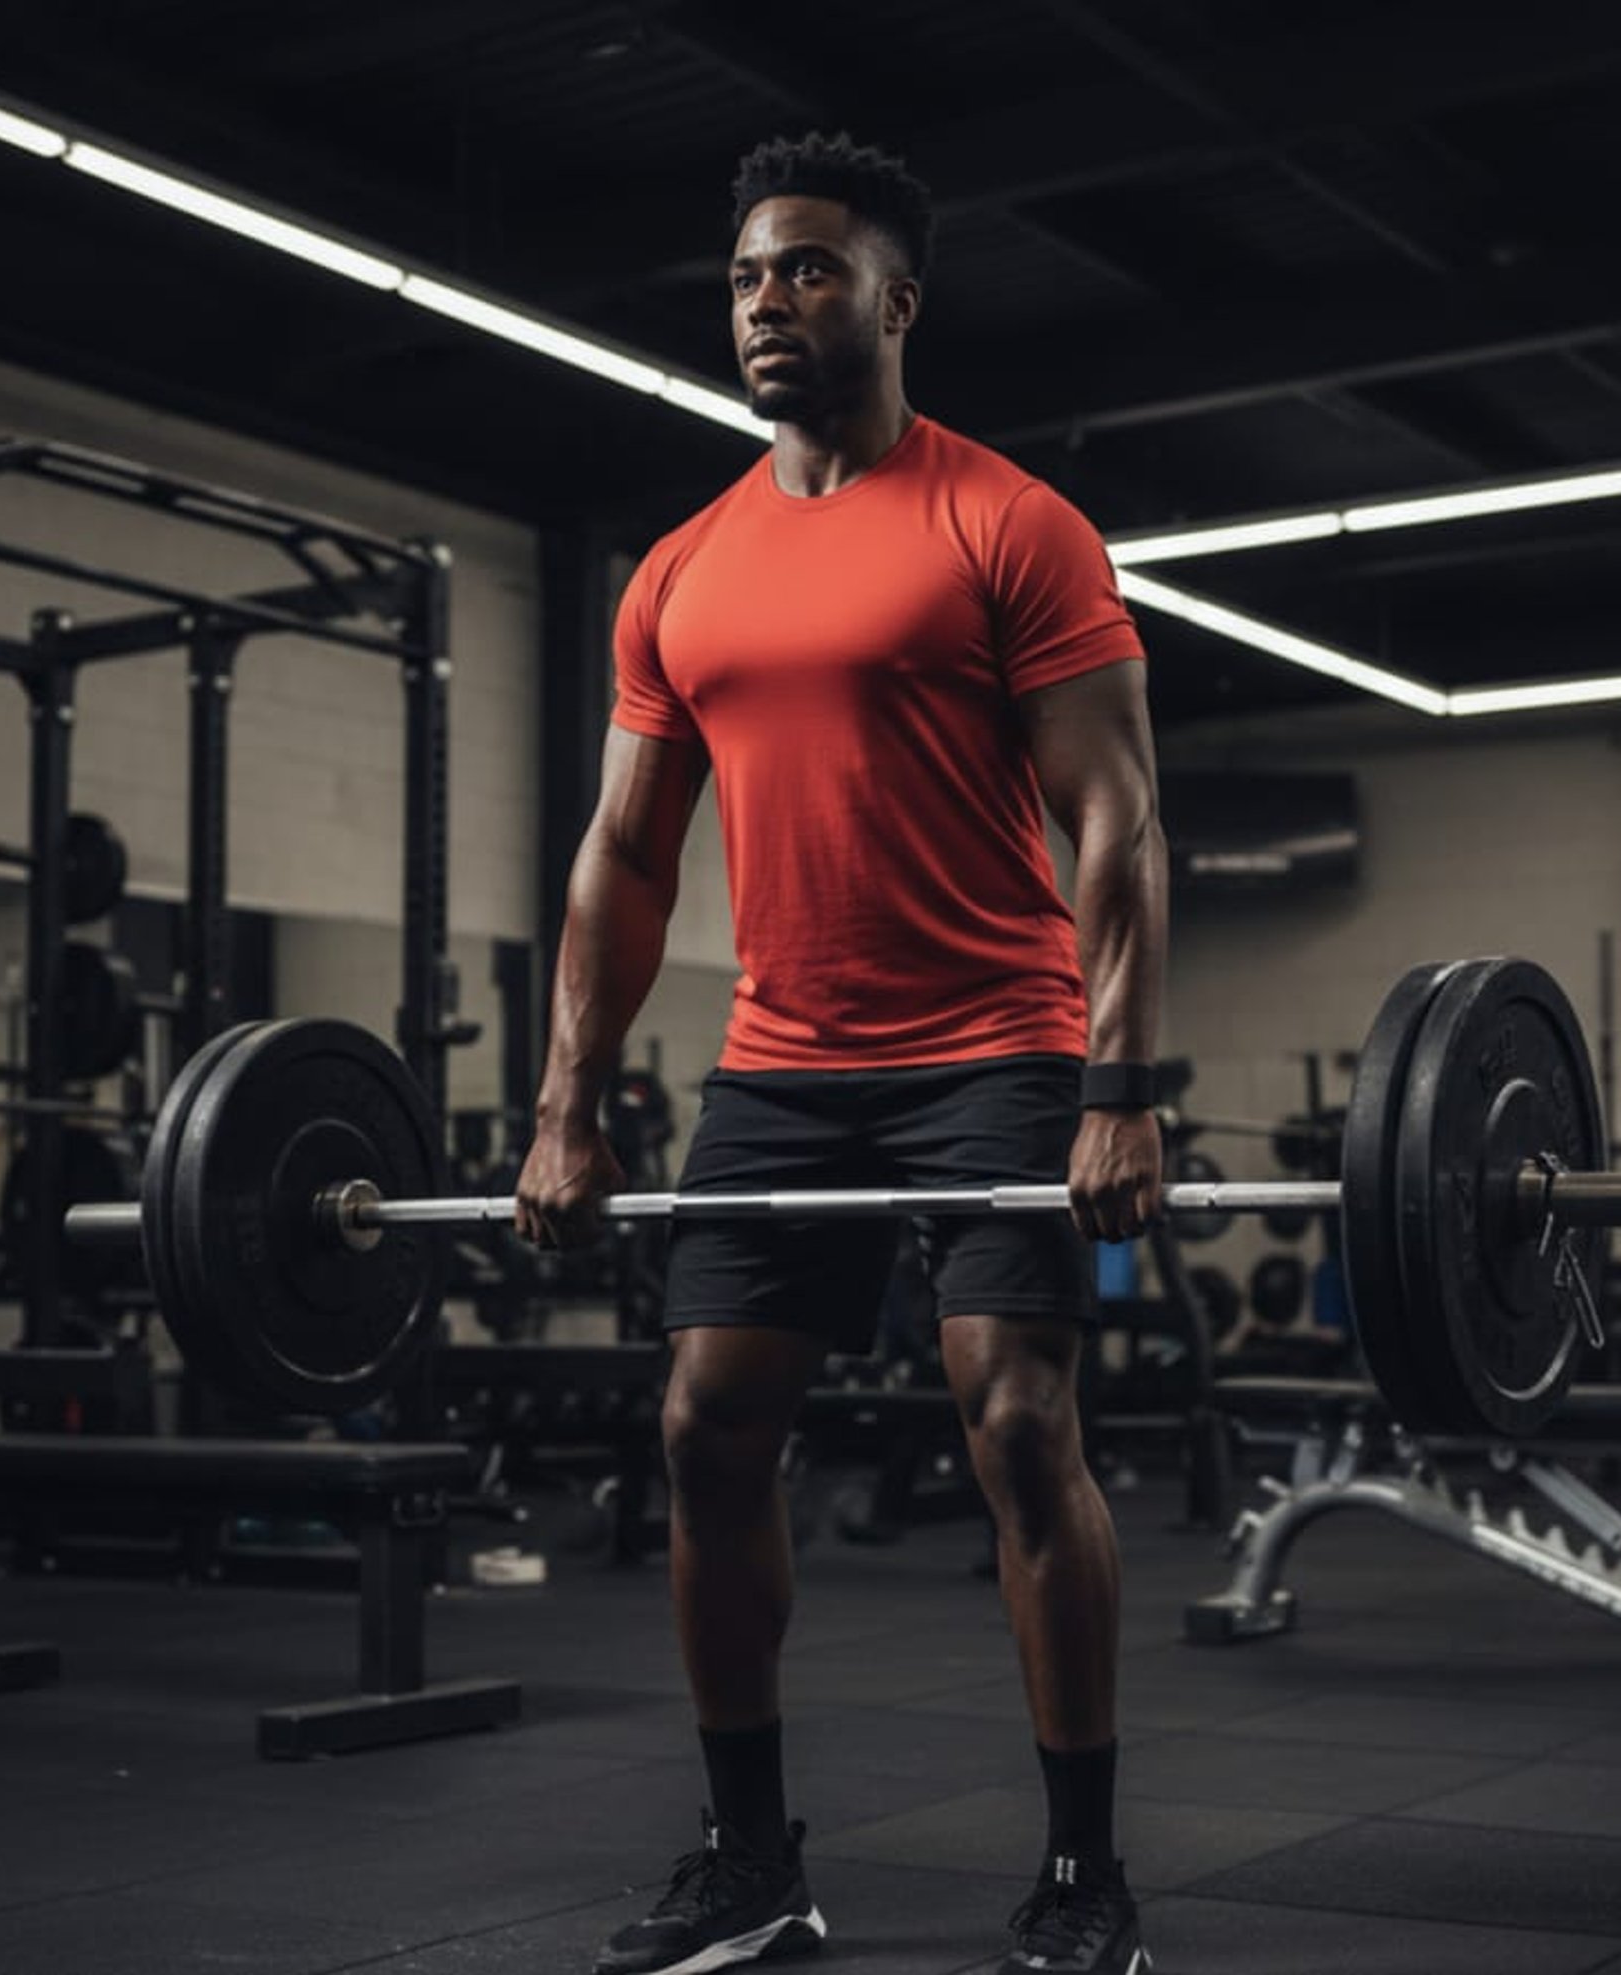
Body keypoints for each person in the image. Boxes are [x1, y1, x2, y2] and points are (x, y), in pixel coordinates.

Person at [517, 130, 1166, 1975]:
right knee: (704, 1428)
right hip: (784, 1059)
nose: (767, 302)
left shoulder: (1008, 523)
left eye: (807, 268)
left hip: (996, 1043)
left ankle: (1082, 1878)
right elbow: (628, 855)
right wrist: (566, 1104)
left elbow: (1116, 817)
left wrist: (1118, 1086)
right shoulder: (684, 570)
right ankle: (749, 1863)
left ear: (896, 298)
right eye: (744, 276)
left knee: (1018, 1422)